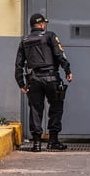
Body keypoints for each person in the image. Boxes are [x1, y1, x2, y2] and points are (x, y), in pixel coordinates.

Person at [15, 13, 73, 152]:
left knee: (35, 110)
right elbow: (60, 55)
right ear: (41, 25)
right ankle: (53, 140)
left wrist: (21, 83)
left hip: (33, 80)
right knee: (56, 108)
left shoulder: (24, 40)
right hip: (51, 78)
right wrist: (67, 70)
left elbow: (19, 64)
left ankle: (36, 143)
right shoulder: (50, 36)